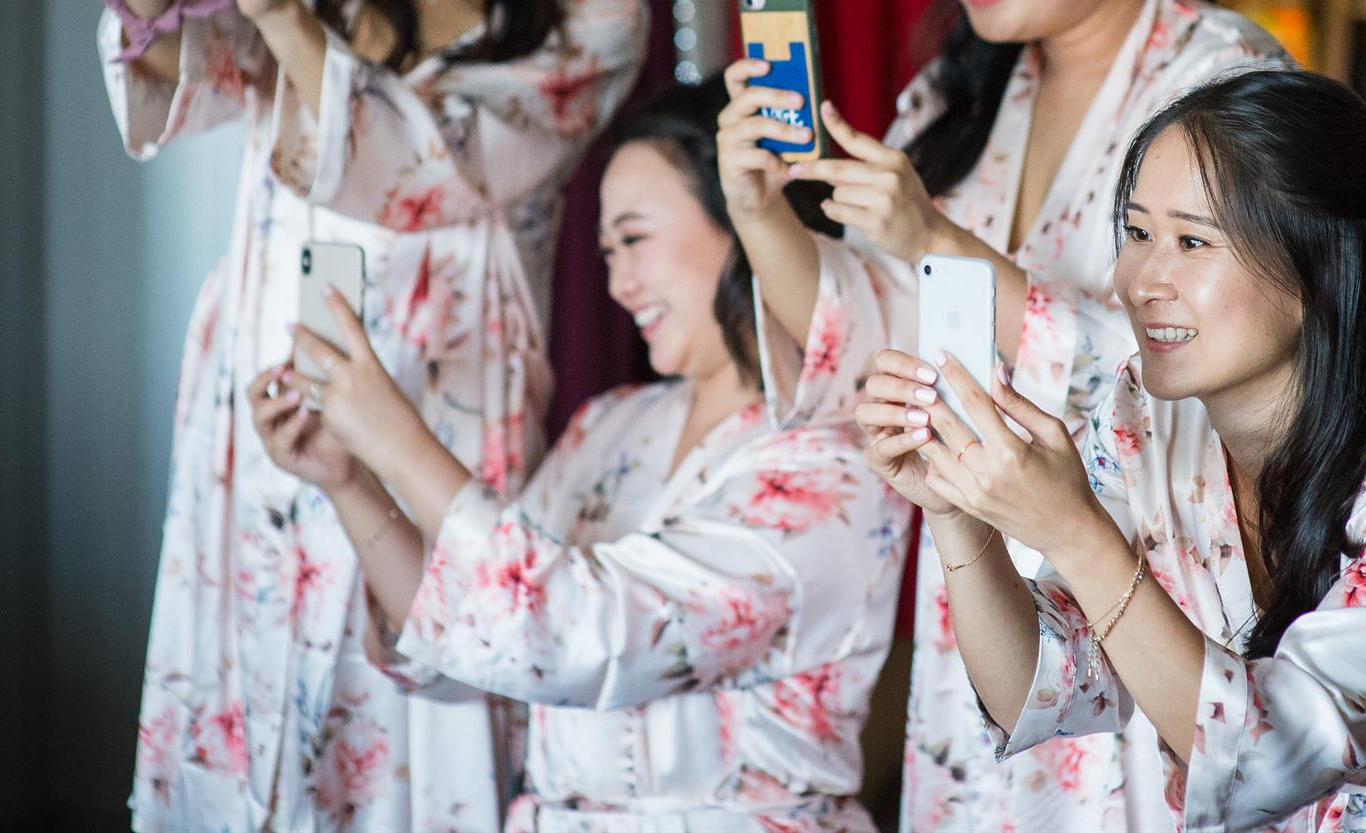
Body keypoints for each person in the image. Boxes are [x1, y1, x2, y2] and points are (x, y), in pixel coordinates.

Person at [103, 0, 648, 831]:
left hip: (442, 415)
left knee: (416, 725)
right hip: (266, 391)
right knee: (245, 713)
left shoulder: (594, 12)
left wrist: (286, 18)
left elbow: (432, 171)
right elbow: (182, 87)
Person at [717, 0, 1289, 830]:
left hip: (1157, 564)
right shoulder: (965, 89)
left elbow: (1210, 357)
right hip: (981, 562)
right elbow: (859, 330)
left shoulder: (1225, 81)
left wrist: (935, 235)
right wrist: (755, 209)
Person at [860, 68, 1366, 832]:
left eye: (1192, 241)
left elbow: (1271, 758)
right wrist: (957, 512)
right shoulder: (1147, 415)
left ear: (1318, 267)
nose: (1140, 281)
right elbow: (1046, 686)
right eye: (1137, 232)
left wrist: (1074, 529)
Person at [250, 81, 912, 831]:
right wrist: (350, 482)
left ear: (745, 219)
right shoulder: (609, 424)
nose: (618, 283)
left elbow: (579, 632)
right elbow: (476, 633)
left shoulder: (834, 462)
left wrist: (399, 440)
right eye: (606, 252)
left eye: (635, 239)